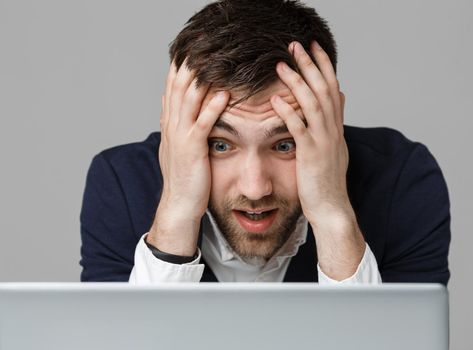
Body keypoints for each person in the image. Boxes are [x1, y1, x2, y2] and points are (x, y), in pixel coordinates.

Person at [79, 0, 451, 285]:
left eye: (285, 144)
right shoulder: (121, 185)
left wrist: (334, 216)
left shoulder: (401, 181)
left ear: (331, 123)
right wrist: (175, 215)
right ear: (176, 127)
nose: (255, 188)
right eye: (221, 145)